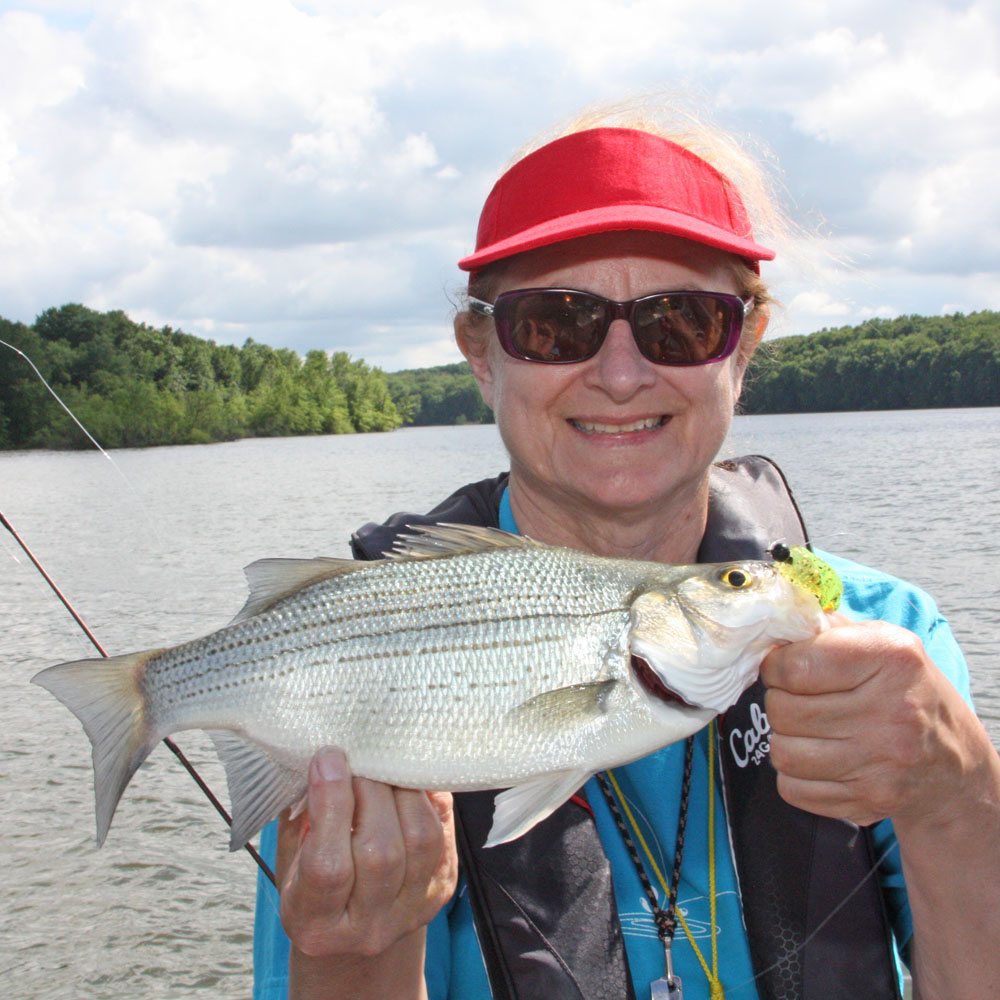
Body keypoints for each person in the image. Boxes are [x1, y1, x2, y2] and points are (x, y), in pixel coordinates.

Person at [252, 105, 1000, 1000]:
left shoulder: (889, 644)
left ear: (744, 347)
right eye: (555, 324)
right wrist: (351, 952)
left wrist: (960, 798)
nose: (619, 374)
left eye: (680, 322)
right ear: (482, 354)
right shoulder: (359, 661)